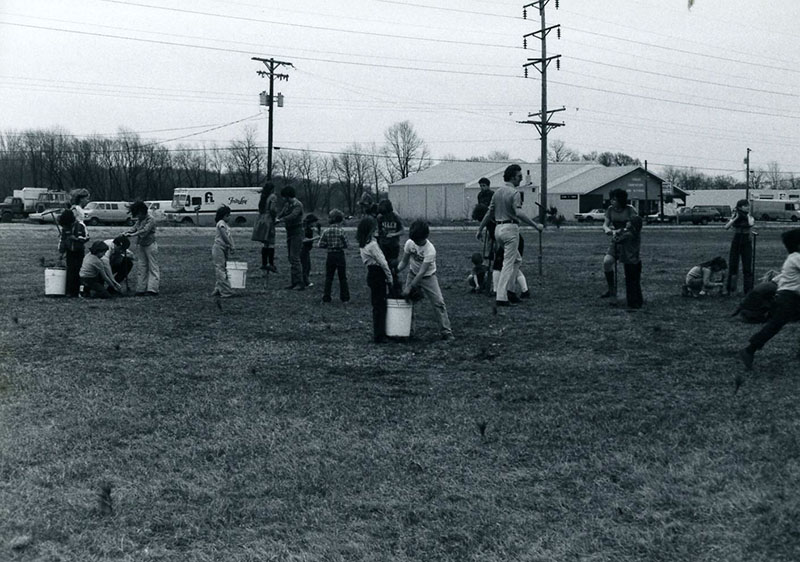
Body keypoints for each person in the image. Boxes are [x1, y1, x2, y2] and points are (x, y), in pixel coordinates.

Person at [476, 164, 543, 307]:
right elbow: (518, 213)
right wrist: (535, 225)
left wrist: (479, 229)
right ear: (513, 177)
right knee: (508, 263)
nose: (521, 179)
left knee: (517, 260)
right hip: (510, 229)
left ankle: (511, 291)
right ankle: (501, 297)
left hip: (498, 229)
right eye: (519, 176)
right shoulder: (514, 193)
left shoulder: (497, 192)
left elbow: (489, 213)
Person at [737, 228, 800, 371]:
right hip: (788, 298)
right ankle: (749, 350)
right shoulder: (796, 257)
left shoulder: (795, 257)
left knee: (775, 325)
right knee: (775, 325)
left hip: (793, 298)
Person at [398, 220, 454, 341]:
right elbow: (404, 262)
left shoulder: (430, 250)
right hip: (412, 274)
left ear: (424, 237)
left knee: (439, 302)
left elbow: (422, 272)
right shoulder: (409, 243)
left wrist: (409, 287)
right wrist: (395, 271)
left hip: (428, 277)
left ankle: (446, 331)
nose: (416, 243)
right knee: (408, 303)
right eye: (414, 240)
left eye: (418, 240)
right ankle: (407, 331)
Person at [357, 216, 393, 343]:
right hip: (378, 275)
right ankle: (380, 334)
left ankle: (379, 332)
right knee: (380, 306)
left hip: (371, 274)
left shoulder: (363, 244)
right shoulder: (372, 245)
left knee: (376, 305)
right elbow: (383, 263)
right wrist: (390, 278)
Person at [600, 188, 638, 298]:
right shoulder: (610, 209)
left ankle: (631, 293)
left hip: (628, 242)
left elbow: (635, 225)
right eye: (611, 199)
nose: (612, 201)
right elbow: (605, 224)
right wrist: (607, 229)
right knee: (607, 262)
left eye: (615, 199)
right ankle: (611, 289)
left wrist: (623, 231)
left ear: (621, 200)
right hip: (616, 240)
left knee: (629, 268)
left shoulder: (630, 209)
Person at [124, 200, 159, 296]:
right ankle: (141, 288)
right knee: (142, 266)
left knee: (152, 266)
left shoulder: (150, 219)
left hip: (150, 245)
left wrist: (132, 234)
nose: (137, 216)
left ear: (142, 211)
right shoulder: (140, 220)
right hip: (141, 245)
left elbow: (145, 230)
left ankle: (152, 289)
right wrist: (126, 232)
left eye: (138, 214)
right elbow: (134, 227)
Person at [275, 185, 304, 290]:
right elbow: (282, 214)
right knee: (291, 258)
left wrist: (281, 220)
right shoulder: (287, 204)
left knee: (294, 257)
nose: (283, 199)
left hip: (297, 232)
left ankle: (300, 283)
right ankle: (294, 282)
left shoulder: (298, 205)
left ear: (288, 196)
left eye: (284, 196)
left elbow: (293, 216)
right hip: (290, 232)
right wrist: (276, 218)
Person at [318, 208, 350, 303]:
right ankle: (345, 298)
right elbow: (346, 244)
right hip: (340, 254)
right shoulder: (341, 231)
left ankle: (326, 297)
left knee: (329, 277)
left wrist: (328, 245)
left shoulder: (326, 231)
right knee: (342, 277)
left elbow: (320, 244)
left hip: (330, 254)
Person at [724, 199, 755, 295]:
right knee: (733, 265)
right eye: (745, 206)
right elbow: (726, 226)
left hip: (746, 241)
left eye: (748, 206)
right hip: (736, 240)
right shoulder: (735, 216)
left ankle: (748, 289)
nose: (748, 207)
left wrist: (747, 215)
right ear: (740, 207)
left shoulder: (749, 216)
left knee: (747, 266)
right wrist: (736, 217)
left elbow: (751, 223)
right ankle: (731, 289)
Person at [612, 215, 644, 309]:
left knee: (629, 283)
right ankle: (638, 300)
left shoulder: (628, 235)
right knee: (636, 283)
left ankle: (632, 302)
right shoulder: (636, 234)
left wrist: (615, 234)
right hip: (636, 262)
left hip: (629, 262)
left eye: (629, 222)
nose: (627, 223)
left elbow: (616, 240)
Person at [57, 208, 88, 298]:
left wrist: (77, 238)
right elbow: (62, 240)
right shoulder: (65, 228)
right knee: (70, 271)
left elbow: (87, 237)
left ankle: (78, 291)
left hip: (79, 251)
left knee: (78, 270)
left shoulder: (81, 226)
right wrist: (61, 252)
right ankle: (69, 291)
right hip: (70, 252)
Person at [376, 198, 404, 291]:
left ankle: (395, 285)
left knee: (393, 265)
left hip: (393, 245)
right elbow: (378, 231)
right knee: (384, 265)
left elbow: (402, 231)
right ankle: (384, 284)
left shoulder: (395, 217)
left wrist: (393, 234)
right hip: (383, 245)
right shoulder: (380, 218)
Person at [252, 181, 278, 272]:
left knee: (265, 243)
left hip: (262, 218)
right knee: (271, 242)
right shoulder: (273, 197)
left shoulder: (263, 197)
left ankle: (264, 263)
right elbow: (272, 209)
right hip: (269, 220)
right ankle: (271, 263)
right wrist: (275, 218)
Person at [300, 214, 321, 288]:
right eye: (314, 222)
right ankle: (305, 282)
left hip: (307, 249)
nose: (315, 224)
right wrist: (314, 238)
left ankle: (305, 280)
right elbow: (303, 240)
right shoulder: (304, 229)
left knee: (308, 266)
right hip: (302, 249)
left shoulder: (310, 228)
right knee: (305, 266)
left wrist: (317, 231)